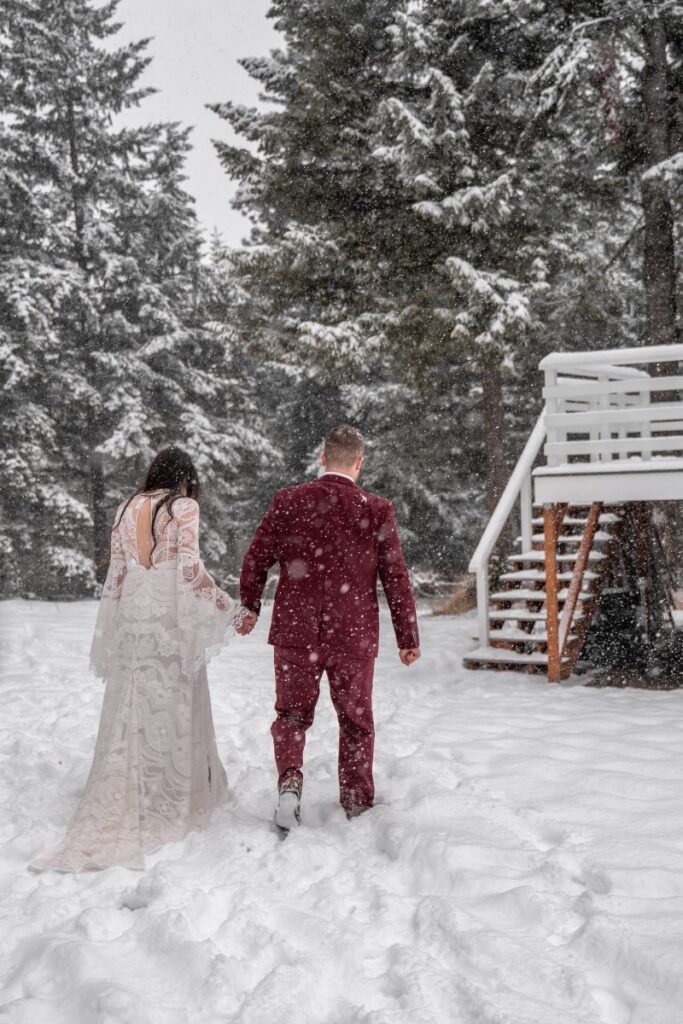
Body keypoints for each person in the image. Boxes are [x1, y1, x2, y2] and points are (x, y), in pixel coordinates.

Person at [30, 446, 246, 872]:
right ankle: (166, 792)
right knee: (172, 705)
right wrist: (229, 608)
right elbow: (189, 570)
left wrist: (113, 624)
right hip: (167, 618)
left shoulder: (126, 507)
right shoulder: (182, 506)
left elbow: (118, 576)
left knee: (130, 703)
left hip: (133, 615)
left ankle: (127, 786)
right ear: (185, 478)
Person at [238, 424, 420, 833]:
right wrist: (407, 638)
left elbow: (256, 557)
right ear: (359, 462)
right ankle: (356, 800)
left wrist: (249, 604)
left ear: (322, 457)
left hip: (296, 629)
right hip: (352, 633)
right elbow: (395, 576)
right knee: (356, 721)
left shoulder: (288, 501)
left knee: (291, 715)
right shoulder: (376, 509)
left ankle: (289, 782)